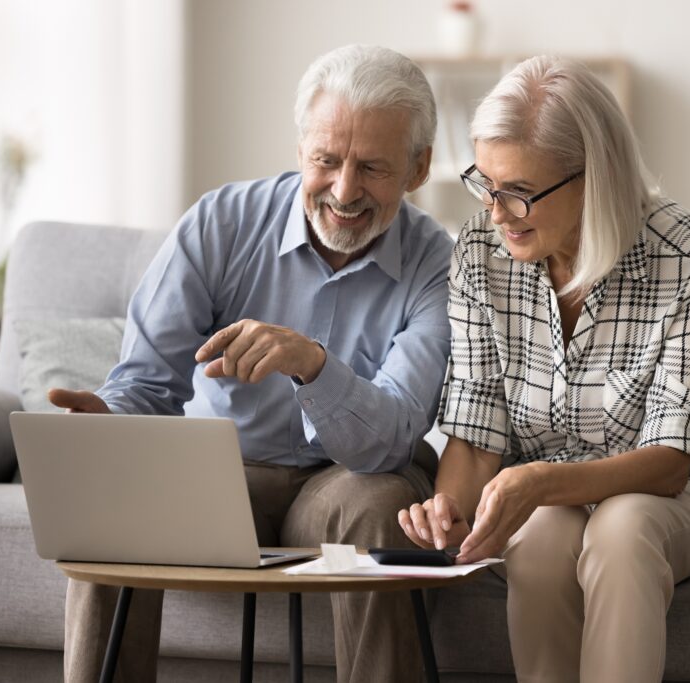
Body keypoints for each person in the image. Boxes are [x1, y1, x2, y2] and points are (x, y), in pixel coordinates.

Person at [50, 45, 453, 683]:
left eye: (373, 167)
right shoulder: (222, 222)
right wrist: (107, 422)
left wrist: (314, 365)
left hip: (345, 480)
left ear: (419, 167)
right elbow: (145, 382)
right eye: (326, 160)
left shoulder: (439, 265)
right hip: (218, 469)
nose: (344, 190)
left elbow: (397, 432)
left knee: (382, 507)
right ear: (301, 151)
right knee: (113, 505)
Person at [398, 56, 690, 683]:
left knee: (623, 525)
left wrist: (537, 481)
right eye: (486, 181)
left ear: (594, 178)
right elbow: (476, 428)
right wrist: (447, 507)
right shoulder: (479, 251)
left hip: (684, 492)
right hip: (546, 505)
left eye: (520, 191)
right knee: (540, 537)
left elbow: (671, 463)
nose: (497, 211)